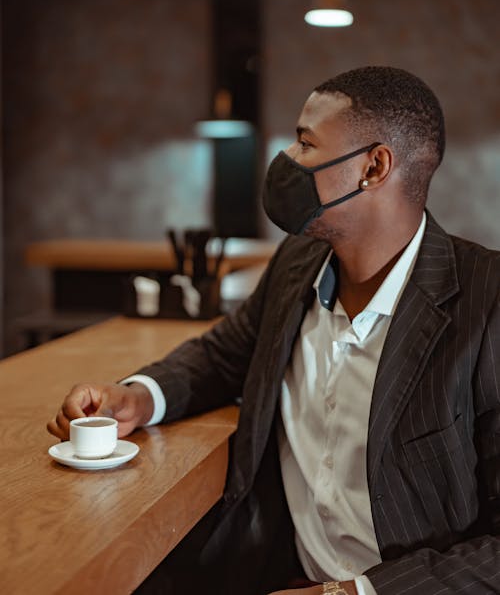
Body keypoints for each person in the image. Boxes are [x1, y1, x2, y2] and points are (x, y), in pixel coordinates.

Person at [48, 66, 500, 595]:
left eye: (305, 143)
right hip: (269, 570)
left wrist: (350, 594)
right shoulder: (297, 260)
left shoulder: (487, 302)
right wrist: (137, 397)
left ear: (374, 167)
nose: (286, 160)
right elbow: (224, 355)